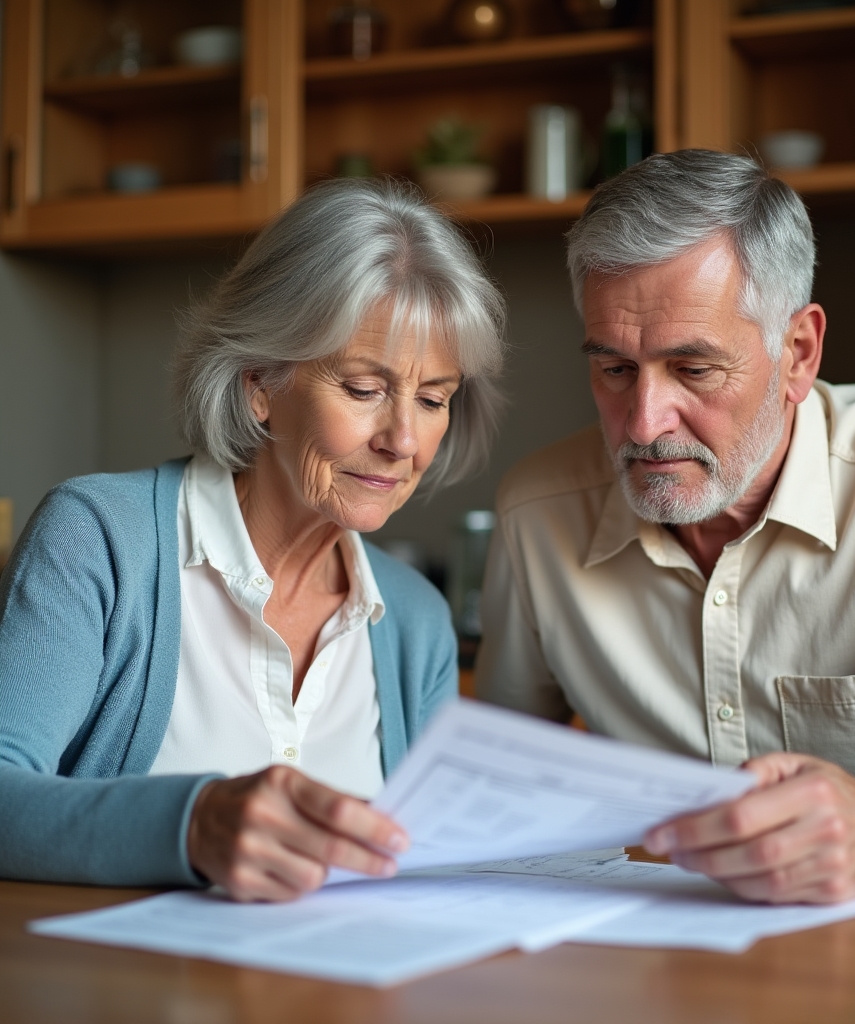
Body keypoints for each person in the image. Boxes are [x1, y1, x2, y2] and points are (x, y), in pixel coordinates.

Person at [477, 149, 855, 904]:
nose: (643, 422)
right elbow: (500, 781)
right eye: (613, 369)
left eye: (694, 370)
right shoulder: (535, 512)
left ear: (798, 352)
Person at [0, 178, 504, 902]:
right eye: (364, 390)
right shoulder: (100, 538)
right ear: (260, 384)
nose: (403, 440)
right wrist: (195, 821)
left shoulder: (415, 619)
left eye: (432, 400)